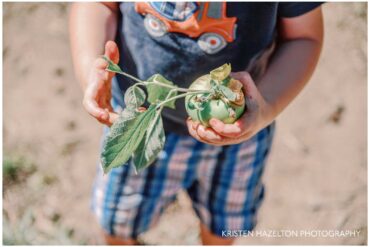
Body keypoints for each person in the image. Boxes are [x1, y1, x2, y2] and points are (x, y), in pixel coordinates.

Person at [69, 2, 323, 245]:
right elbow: (98, 4)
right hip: (140, 124)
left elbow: (303, 37)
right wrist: (90, 68)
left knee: (224, 228)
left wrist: (265, 107)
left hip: (240, 133)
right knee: (118, 223)